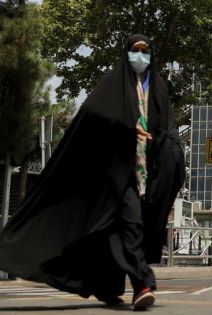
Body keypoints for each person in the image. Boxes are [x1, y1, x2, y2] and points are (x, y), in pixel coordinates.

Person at [0, 34, 185, 311]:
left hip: (146, 172)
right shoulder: (113, 83)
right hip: (114, 173)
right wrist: (127, 129)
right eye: (135, 50)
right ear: (126, 53)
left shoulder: (158, 86)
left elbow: (164, 129)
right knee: (132, 224)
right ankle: (143, 284)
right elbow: (92, 120)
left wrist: (162, 151)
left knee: (113, 232)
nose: (140, 56)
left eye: (145, 51)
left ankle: (107, 287)